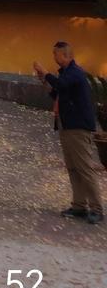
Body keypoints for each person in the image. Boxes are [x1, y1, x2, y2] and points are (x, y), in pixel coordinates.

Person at [33, 39, 103, 224]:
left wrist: (46, 73)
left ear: (65, 55)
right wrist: (44, 79)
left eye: (55, 54)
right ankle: (79, 205)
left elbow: (61, 86)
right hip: (67, 125)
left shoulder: (75, 73)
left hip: (78, 127)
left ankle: (97, 208)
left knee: (85, 168)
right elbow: (56, 93)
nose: (53, 57)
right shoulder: (66, 75)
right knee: (73, 168)